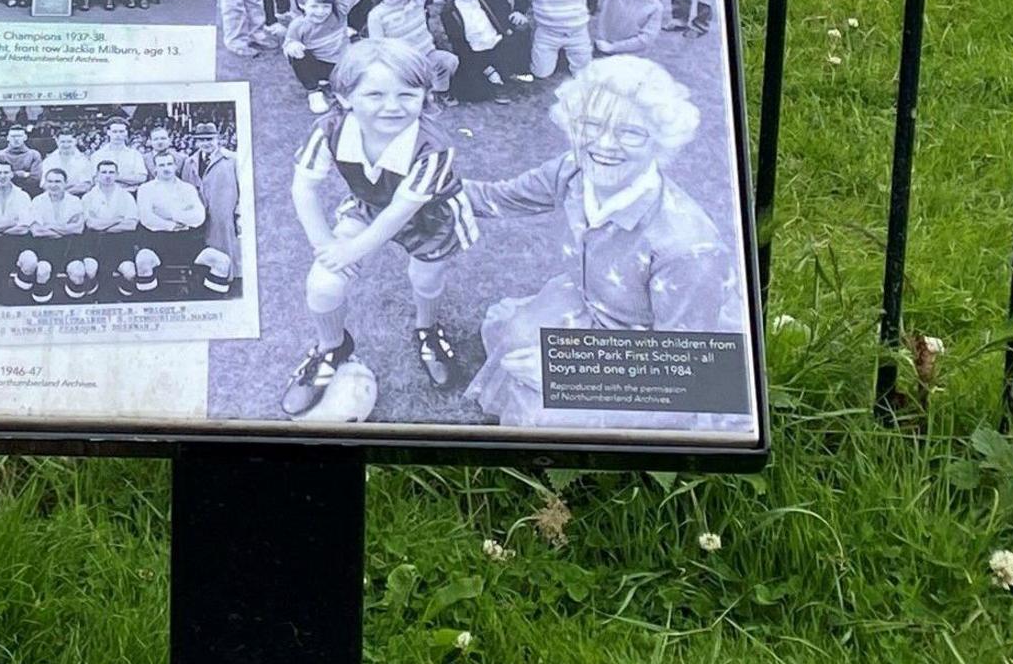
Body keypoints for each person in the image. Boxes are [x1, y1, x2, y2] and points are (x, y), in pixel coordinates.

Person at [464, 56, 740, 428]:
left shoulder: (688, 248)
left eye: (630, 132)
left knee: (543, 411)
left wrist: (572, 374)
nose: (605, 145)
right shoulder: (573, 170)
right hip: (587, 306)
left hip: (650, 360)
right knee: (512, 333)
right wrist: (414, 191)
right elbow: (499, 197)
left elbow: (685, 368)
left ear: (660, 140)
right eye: (591, 126)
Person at [282, 37, 479, 411]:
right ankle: (331, 347)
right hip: (368, 204)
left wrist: (352, 250)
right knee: (323, 283)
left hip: (430, 216)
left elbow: (400, 213)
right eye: (374, 95)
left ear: (425, 96)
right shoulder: (330, 128)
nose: (392, 107)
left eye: (407, 94)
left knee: (426, 278)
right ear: (345, 98)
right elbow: (303, 188)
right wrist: (326, 246)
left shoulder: (434, 146)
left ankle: (427, 328)